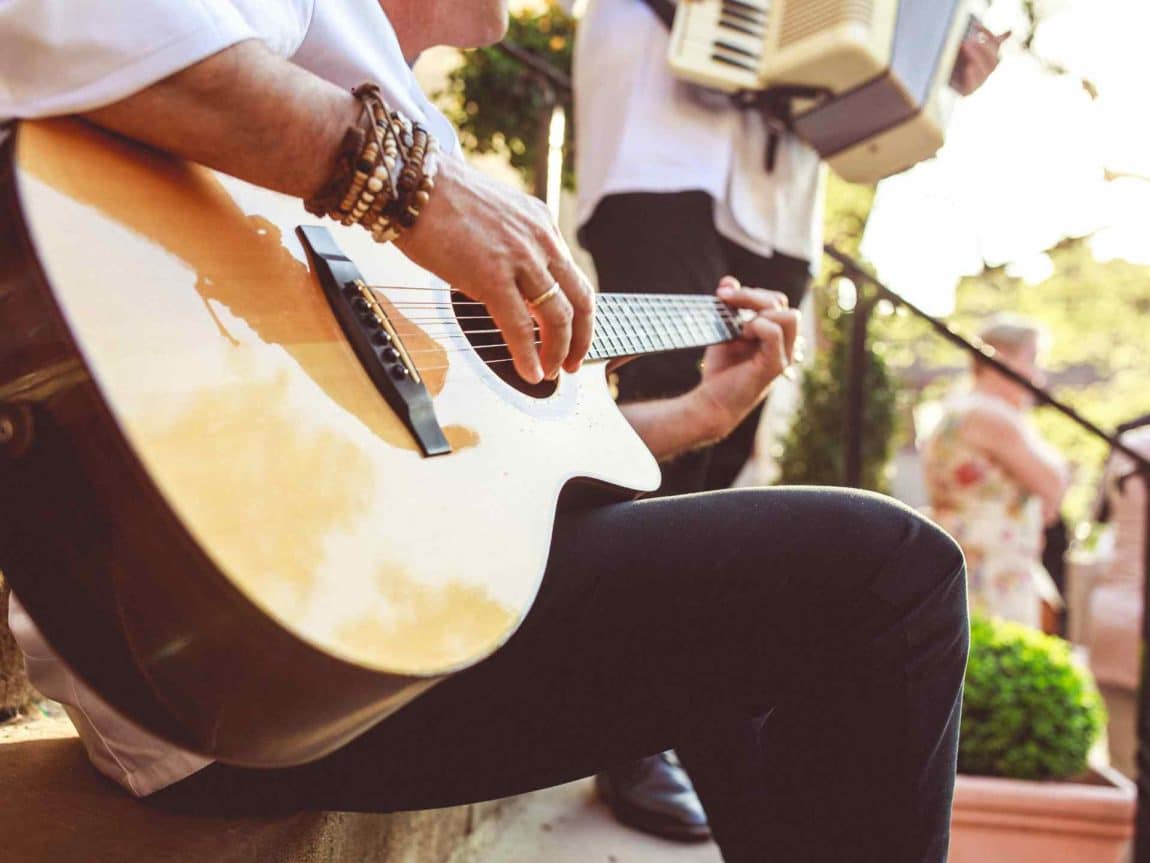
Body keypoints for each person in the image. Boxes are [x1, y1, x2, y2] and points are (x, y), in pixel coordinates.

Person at [1, 3, 969, 861]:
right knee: (891, 570)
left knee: (776, 592)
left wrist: (699, 416)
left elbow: (488, 462)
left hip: (361, 622)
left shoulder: (417, 159)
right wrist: (416, 188)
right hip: (264, 659)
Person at [570, 0, 1007, 837]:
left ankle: (672, 694)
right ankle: (627, 712)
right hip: (661, 131)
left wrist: (940, 68)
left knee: (733, 423)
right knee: (665, 390)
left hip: (783, 179)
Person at [922, 314, 1069, 630]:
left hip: (970, 556)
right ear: (1002, 360)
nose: (1038, 376)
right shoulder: (993, 416)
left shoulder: (956, 410)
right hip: (992, 568)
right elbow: (1053, 483)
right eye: (1032, 359)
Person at [1086, 417, 1150, 776]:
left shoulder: (1129, 443)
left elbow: (1098, 518)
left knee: (1123, 769)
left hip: (1115, 612)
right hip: (1134, 614)